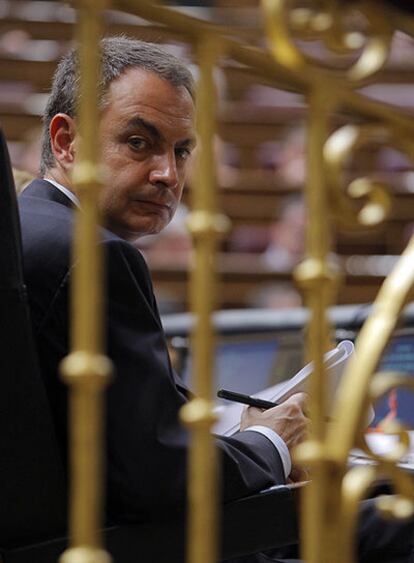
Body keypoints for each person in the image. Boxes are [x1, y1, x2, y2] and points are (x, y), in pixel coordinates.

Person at [18, 37, 413, 563]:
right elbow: (155, 479)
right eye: (139, 143)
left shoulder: (30, 227)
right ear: (66, 141)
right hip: (142, 544)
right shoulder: (93, 253)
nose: (169, 175)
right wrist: (269, 443)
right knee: (396, 512)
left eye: (181, 151)